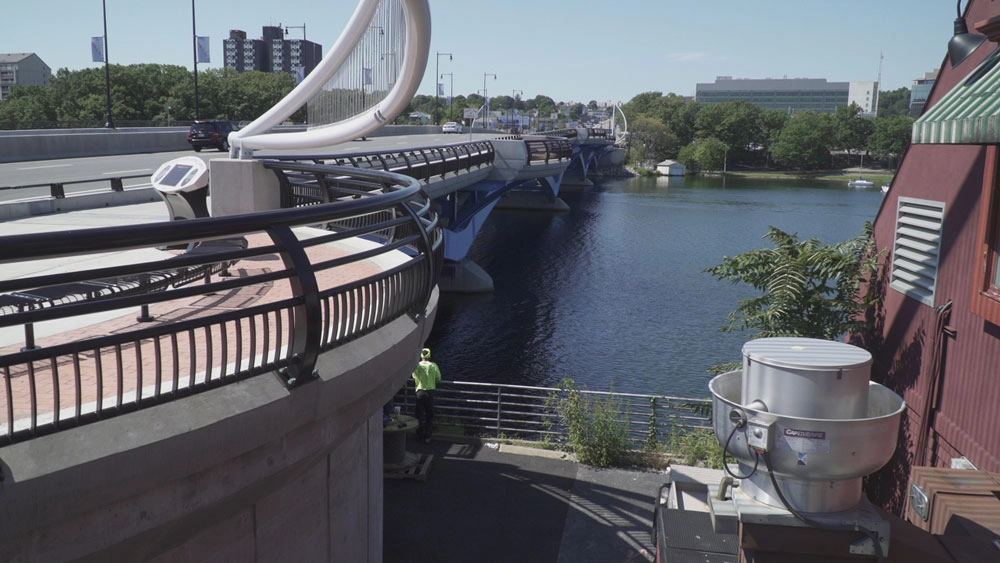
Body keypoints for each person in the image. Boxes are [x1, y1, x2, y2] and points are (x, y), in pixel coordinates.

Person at [411, 347, 442, 444]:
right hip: (429, 393)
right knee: (429, 415)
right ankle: (428, 436)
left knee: (419, 415)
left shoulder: (417, 365)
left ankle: (419, 435)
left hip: (419, 392)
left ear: (421, 355)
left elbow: (414, 376)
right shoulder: (433, 365)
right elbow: (438, 378)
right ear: (429, 355)